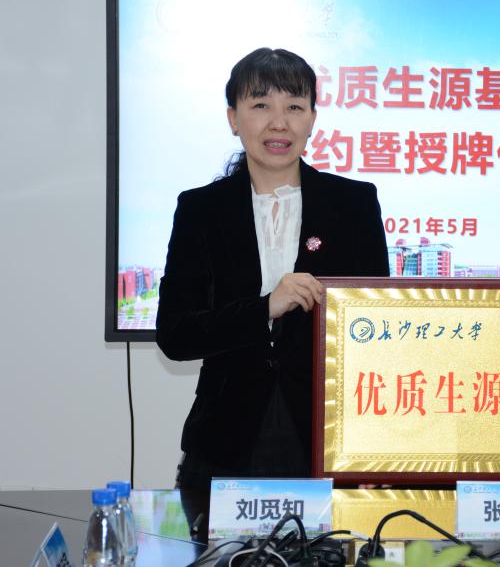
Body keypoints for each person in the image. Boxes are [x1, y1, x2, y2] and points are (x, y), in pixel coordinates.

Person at [156, 47, 390, 538]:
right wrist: (266, 307)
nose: (278, 122)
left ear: (312, 120)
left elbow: (377, 331)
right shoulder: (201, 209)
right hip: (226, 439)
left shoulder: (353, 203)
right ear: (233, 118)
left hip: (327, 440)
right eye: (261, 105)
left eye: (294, 106)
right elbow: (175, 335)